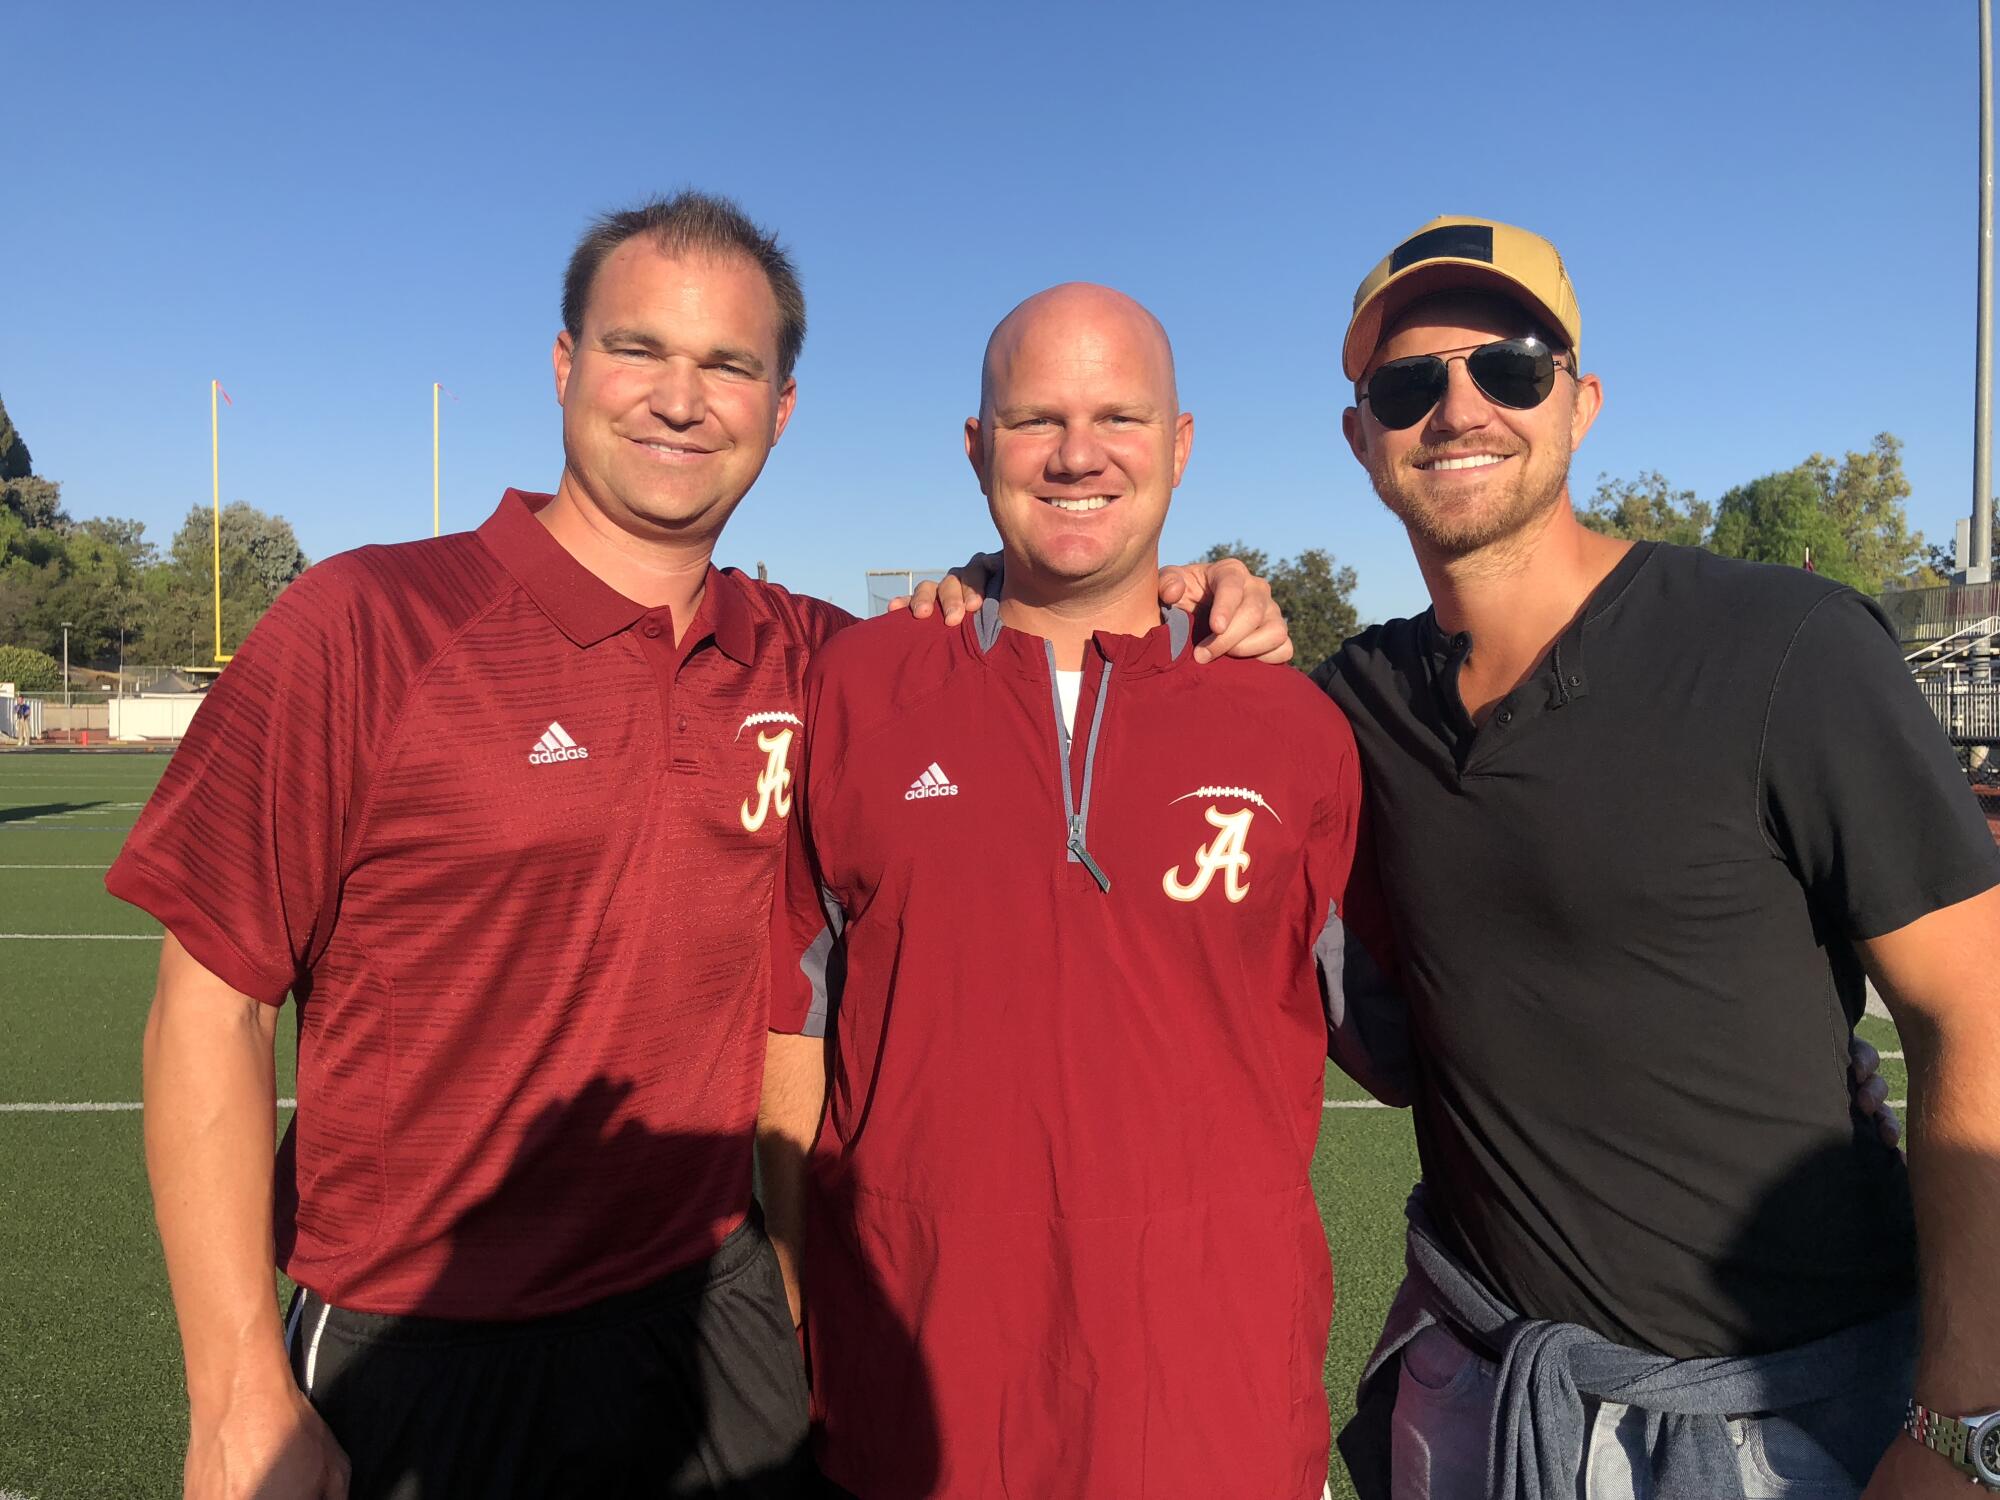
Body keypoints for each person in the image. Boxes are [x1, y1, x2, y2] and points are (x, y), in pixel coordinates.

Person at [109, 193, 1291, 1500]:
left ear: (781, 409)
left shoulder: (815, 654)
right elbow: (206, 1010)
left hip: (720, 1314)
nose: (682, 399)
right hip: (427, 1331)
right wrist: (232, 1396)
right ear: (564, 367)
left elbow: (1031, 616)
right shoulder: (366, 623)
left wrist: (1191, 595)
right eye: (639, 351)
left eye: (728, 364)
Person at [1315, 218, 2000, 1499]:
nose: (1459, 406)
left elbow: (1979, 1008)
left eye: (1507, 367)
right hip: (1484, 1391)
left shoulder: (1783, 648)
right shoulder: (1354, 701)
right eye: (1407, 385)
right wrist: (989, 588)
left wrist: (1965, 1424)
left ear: (1577, 403)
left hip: (1780, 1410)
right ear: (1360, 437)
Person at [765, 282, 1408, 1500]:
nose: (1076, 455)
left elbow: (1418, 1035)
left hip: (1211, 1413)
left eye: (1118, 416)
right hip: (916, 1409)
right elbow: (790, 1027)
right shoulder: (856, 688)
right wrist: (788, 1301)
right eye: (1032, 420)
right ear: (974, 449)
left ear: (1178, 446)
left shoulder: (1293, 727)